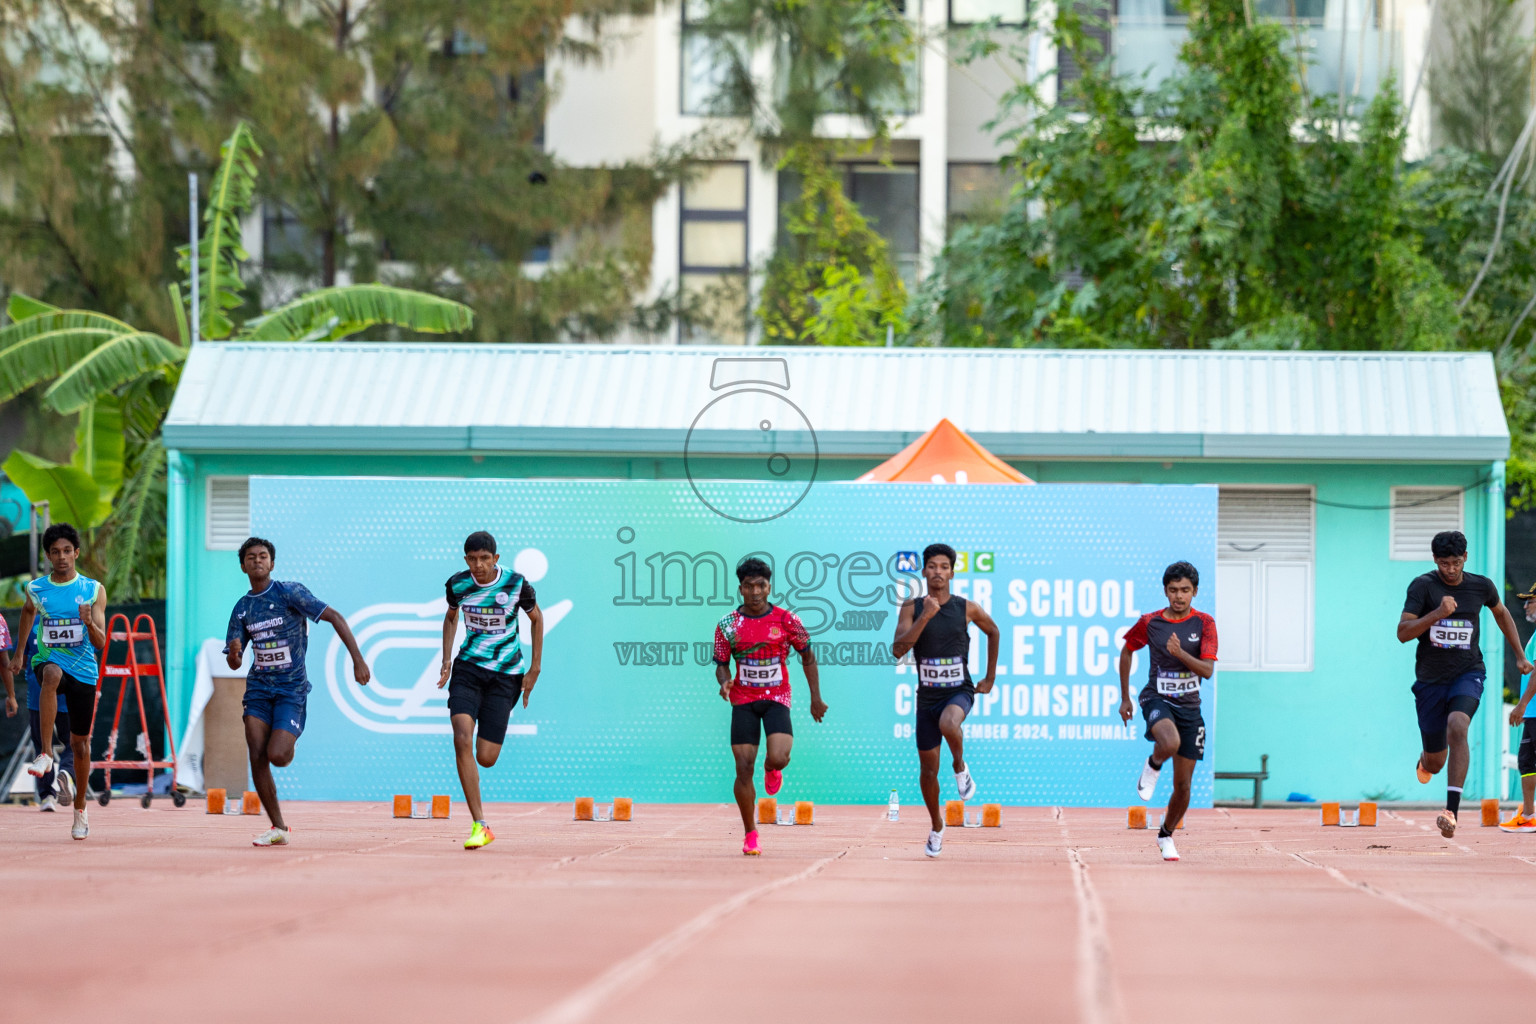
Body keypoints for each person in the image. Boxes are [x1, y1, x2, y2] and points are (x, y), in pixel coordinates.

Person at [225, 536, 370, 847]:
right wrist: (235, 653)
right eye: (250, 557)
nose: (257, 561)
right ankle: (278, 827)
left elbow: (334, 617)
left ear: (272, 563)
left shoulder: (289, 592)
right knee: (255, 751)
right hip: (259, 689)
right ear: (243, 566)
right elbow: (235, 662)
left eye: (263, 556)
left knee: (276, 755)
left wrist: (357, 660)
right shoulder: (243, 608)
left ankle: (286, 743)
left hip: (291, 689)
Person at [1399, 530, 1532, 838]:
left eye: (1456, 562)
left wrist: (1520, 656)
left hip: (1468, 672)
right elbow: (1403, 632)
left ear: (1465, 558)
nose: (1451, 569)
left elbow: (1502, 614)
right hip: (1430, 681)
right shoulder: (1422, 587)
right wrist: (1437, 614)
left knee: (1458, 725)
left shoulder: (1480, 586)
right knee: (1434, 762)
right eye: (1444, 563)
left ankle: (1451, 812)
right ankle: (1425, 759)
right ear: (1435, 560)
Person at [891, 543, 999, 859]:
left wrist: (989, 678)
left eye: (944, 566)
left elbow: (993, 632)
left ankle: (960, 766)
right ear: (924, 571)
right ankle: (937, 826)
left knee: (949, 723)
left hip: (959, 691)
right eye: (932, 566)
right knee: (927, 771)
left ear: (952, 571)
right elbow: (898, 650)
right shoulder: (911, 608)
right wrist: (925, 615)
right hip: (927, 697)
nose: (938, 571)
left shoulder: (967, 608)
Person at [438, 531, 543, 851]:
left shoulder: (517, 585)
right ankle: (480, 824)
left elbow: (537, 620)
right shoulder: (457, 585)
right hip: (468, 670)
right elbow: (451, 616)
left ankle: (489, 723)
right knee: (460, 737)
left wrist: (534, 668)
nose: (478, 565)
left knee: (486, 757)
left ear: (495, 559)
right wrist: (446, 659)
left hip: (505, 676)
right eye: (472, 559)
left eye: (485, 559)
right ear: (465, 559)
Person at [715, 556, 827, 856]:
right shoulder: (728, 624)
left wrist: (815, 698)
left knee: (779, 757)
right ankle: (751, 834)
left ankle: (771, 768)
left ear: (769, 587)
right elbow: (721, 665)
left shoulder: (787, 620)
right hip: (744, 701)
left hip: (777, 698)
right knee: (742, 769)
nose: (755, 592)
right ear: (741, 589)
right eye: (749, 586)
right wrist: (723, 681)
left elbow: (808, 656)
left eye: (761, 586)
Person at [1118, 560, 1217, 863]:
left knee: (1183, 786)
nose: (1178, 596)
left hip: (1190, 708)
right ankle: (1153, 763)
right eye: (1173, 590)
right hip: (1156, 699)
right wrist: (1125, 698)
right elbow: (1127, 650)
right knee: (1169, 742)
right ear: (1165, 591)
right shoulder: (1151, 622)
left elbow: (1208, 671)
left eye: (1185, 590)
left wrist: (1180, 653)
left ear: (1195, 592)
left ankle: (1166, 835)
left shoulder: (1205, 624)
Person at [13, 523, 105, 840]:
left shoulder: (93, 590)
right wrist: (20, 654)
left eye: (67, 551)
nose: (62, 557)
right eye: (56, 552)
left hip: (84, 669)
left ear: (76, 553)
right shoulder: (37, 589)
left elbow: (102, 641)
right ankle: (47, 754)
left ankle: (80, 808)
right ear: (48, 556)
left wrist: (89, 621)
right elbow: (27, 613)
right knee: (50, 673)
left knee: (81, 746)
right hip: (50, 661)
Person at [23, 628, 77, 811]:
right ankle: (66, 772)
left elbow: (22, 660)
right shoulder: (73, 620)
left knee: (41, 745)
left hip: (40, 695)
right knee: (73, 742)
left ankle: (47, 796)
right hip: (67, 695)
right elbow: (90, 655)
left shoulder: (32, 624)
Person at [1500, 581, 1536, 833]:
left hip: (1532, 709)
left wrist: (1521, 705)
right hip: (1533, 711)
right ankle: (1528, 814)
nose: (1525, 605)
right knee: (1526, 761)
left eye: (1530, 600)